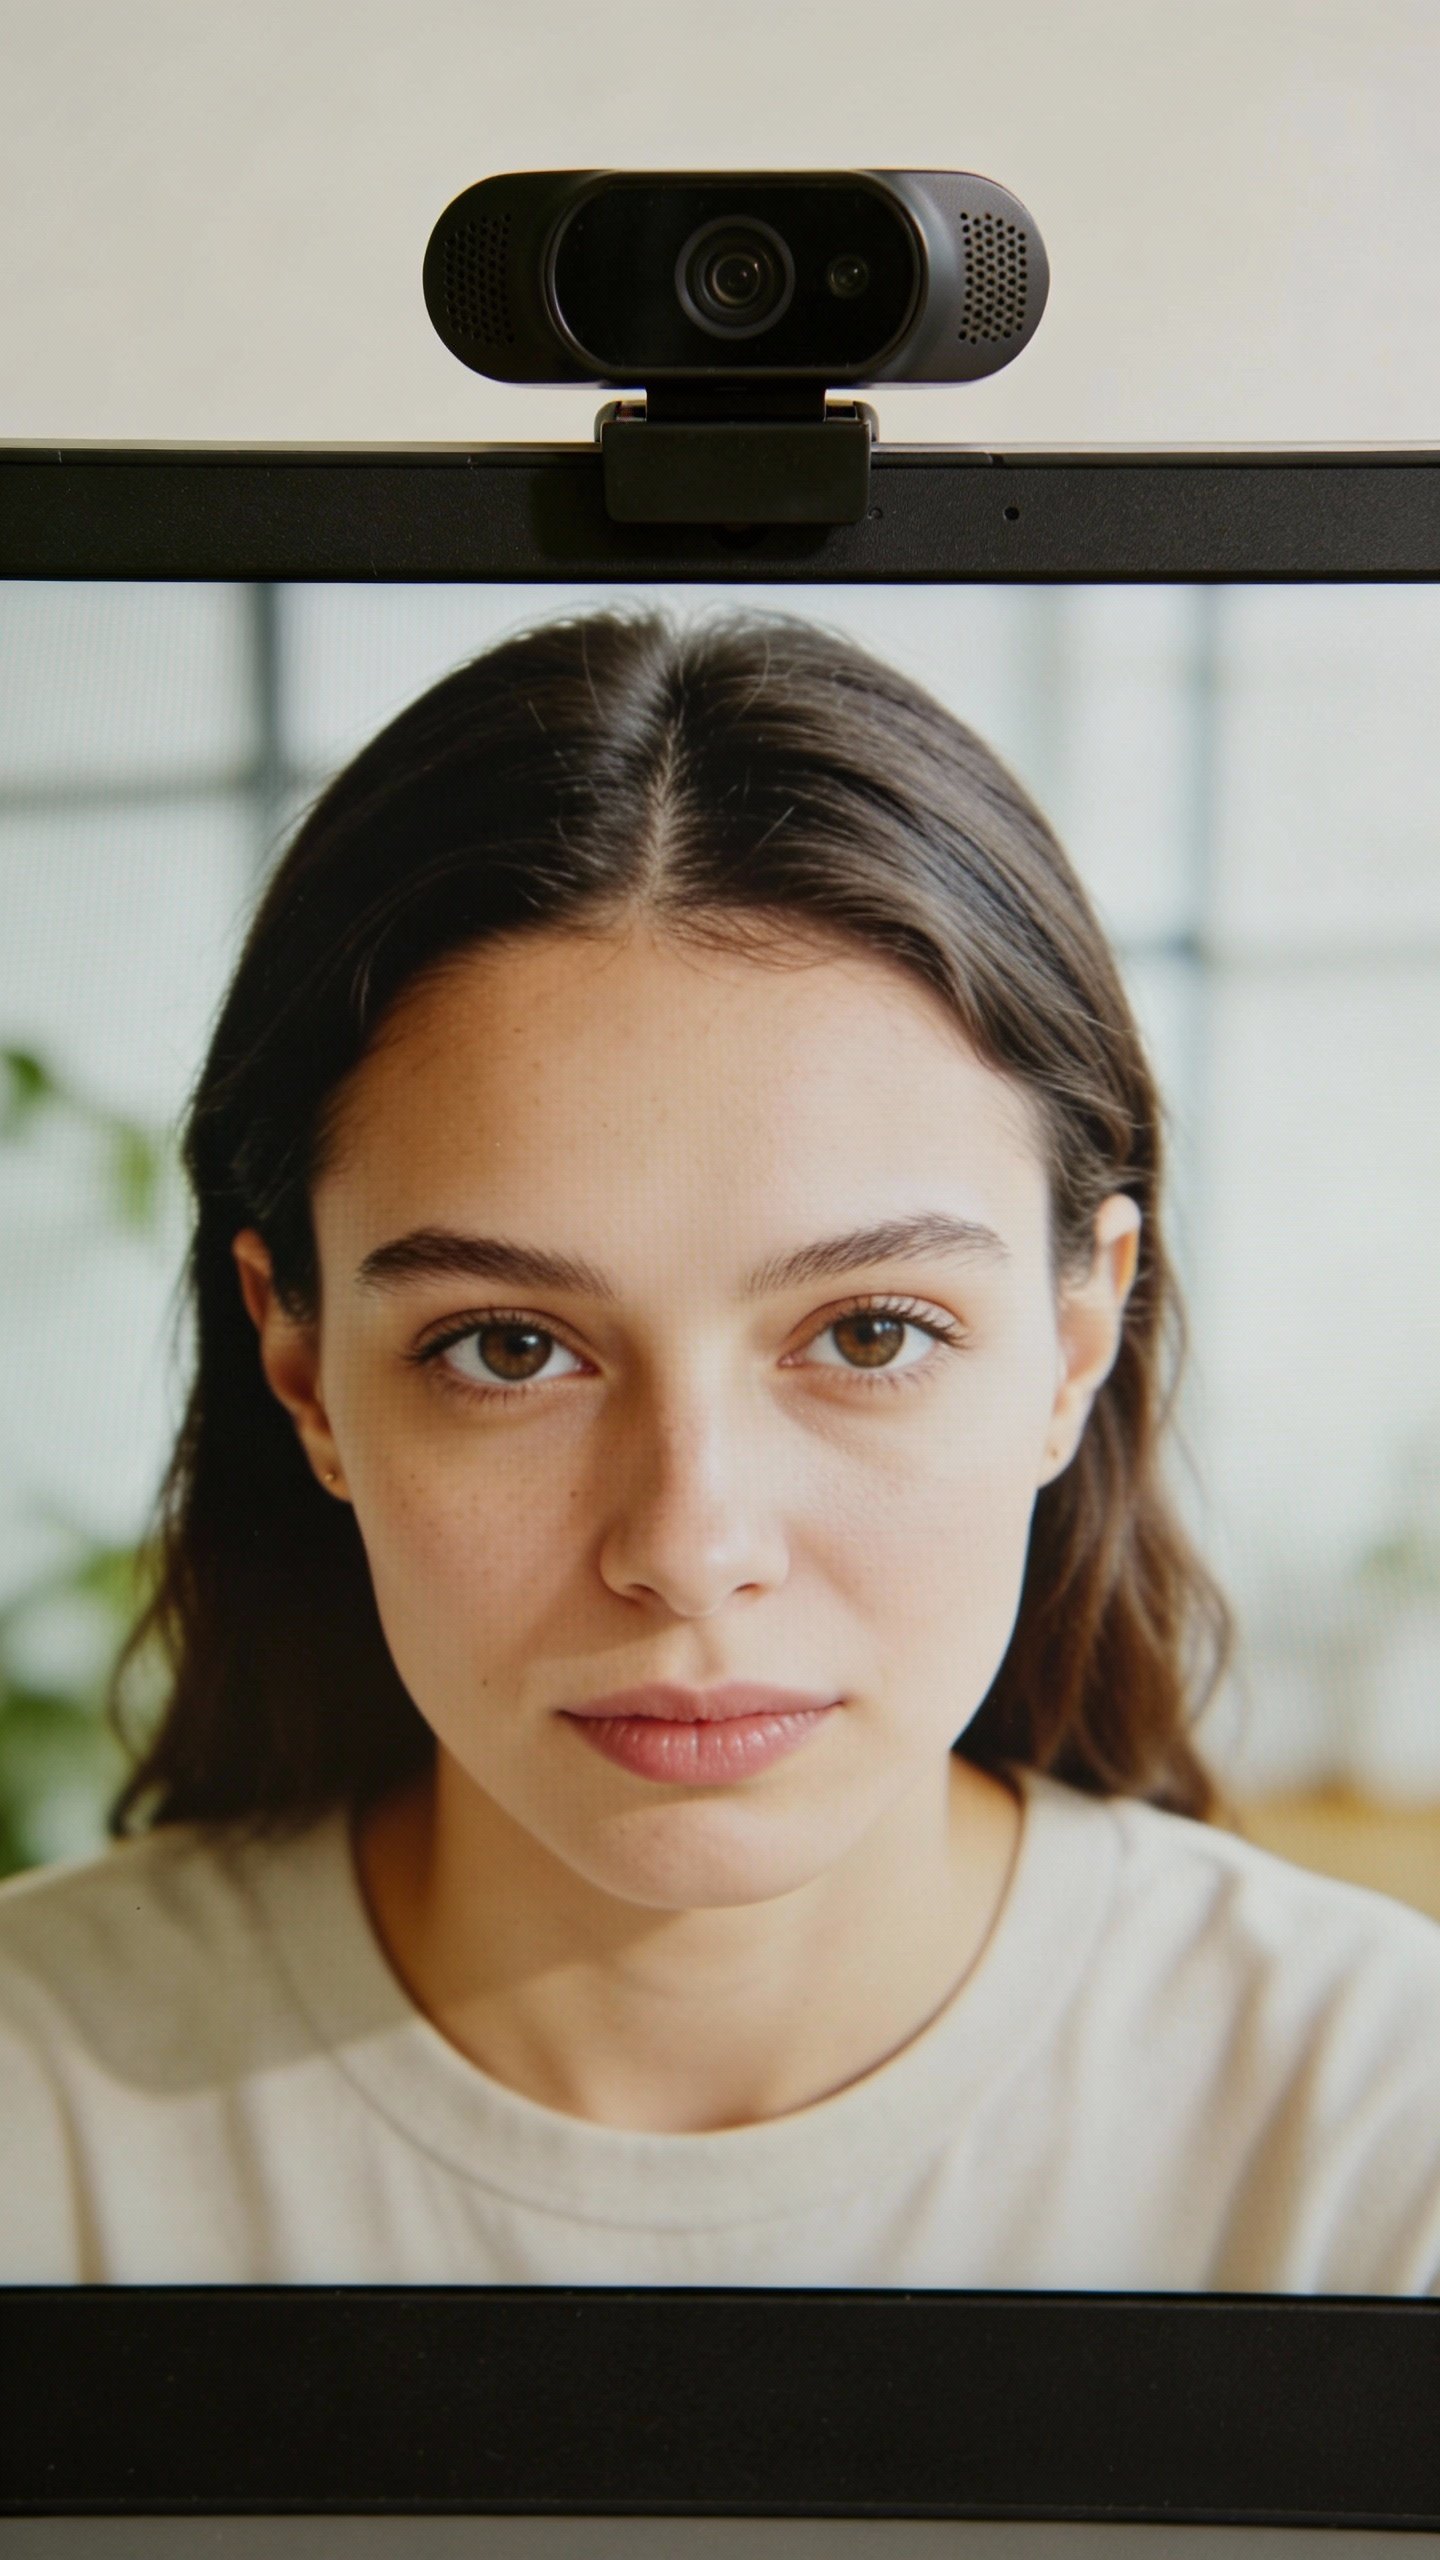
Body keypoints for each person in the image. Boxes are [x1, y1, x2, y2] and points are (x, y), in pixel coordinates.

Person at [1, 607, 1437, 2290]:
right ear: (303, 1369)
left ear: (1073, 1338)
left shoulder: (1368, 2132)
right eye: (510, 1348)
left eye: (870, 1334)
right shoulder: (46, 2107)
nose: (689, 1541)